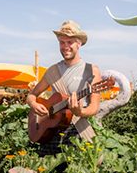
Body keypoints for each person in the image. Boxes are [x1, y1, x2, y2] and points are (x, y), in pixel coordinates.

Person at [26, 20, 101, 156]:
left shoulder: (91, 70)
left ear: (79, 44)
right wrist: (33, 104)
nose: (65, 46)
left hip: (77, 132)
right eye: (62, 42)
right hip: (50, 134)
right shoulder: (52, 71)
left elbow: (94, 108)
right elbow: (32, 95)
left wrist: (80, 112)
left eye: (70, 42)